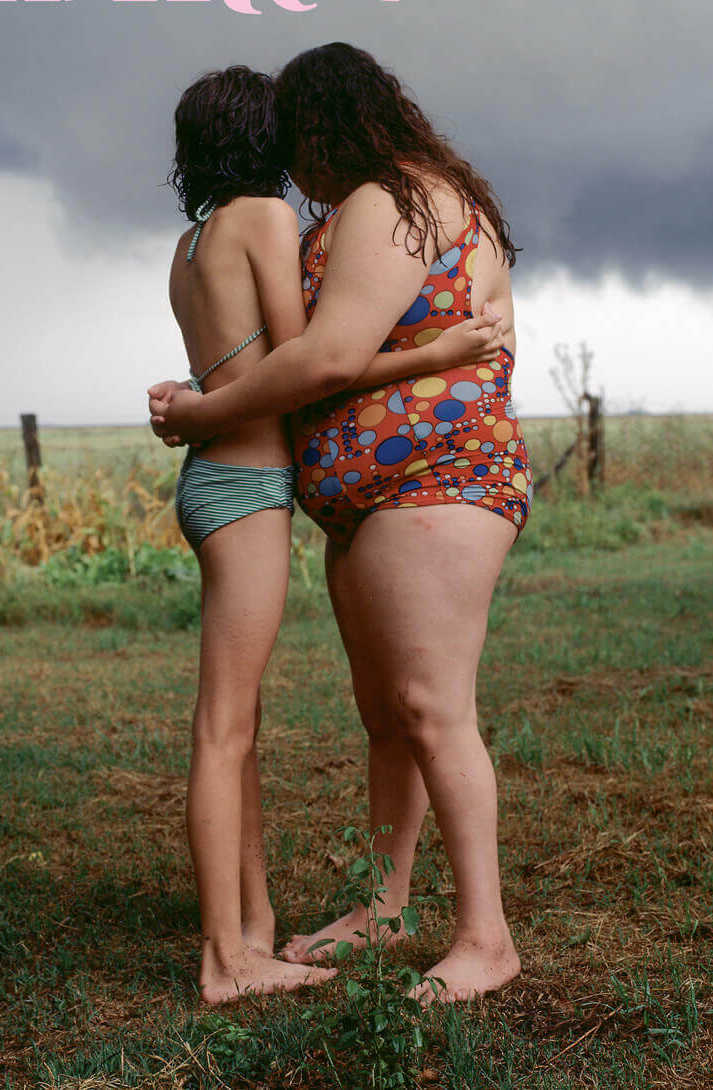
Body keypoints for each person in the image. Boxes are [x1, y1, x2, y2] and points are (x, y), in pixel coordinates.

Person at [161, 63, 511, 1005]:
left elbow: (324, 356)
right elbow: (297, 350)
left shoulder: (387, 203)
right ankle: (370, 911)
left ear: (326, 128)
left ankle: (485, 937)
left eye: (303, 142)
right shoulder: (324, 211)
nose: (298, 167)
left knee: (427, 704)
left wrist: (202, 409)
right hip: (333, 495)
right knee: (378, 717)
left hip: (428, 482)